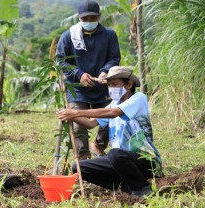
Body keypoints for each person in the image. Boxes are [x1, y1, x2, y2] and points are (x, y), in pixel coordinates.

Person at [56, 66, 163, 198]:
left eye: (115, 84)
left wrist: (76, 112)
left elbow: (114, 113)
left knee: (115, 154)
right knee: (79, 168)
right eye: (109, 85)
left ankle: (143, 188)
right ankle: (125, 187)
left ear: (128, 84)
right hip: (120, 162)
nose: (111, 88)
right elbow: (90, 123)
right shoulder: (114, 103)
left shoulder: (138, 98)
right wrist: (70, 115)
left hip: (146, 161)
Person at [56, 0, 121, 159]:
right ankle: (83, 158)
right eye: (85, 19)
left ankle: (99, 145)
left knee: (109, 118)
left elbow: (114, 58)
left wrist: (105, 72)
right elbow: (60, 61)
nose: (89, 22)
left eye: (92, 18)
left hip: (102, 86)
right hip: (77, 87)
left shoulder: (109, 35)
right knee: (78, 122)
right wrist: (79, 74)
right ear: (79, 18)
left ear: (99, 16)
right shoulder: (69, 36)